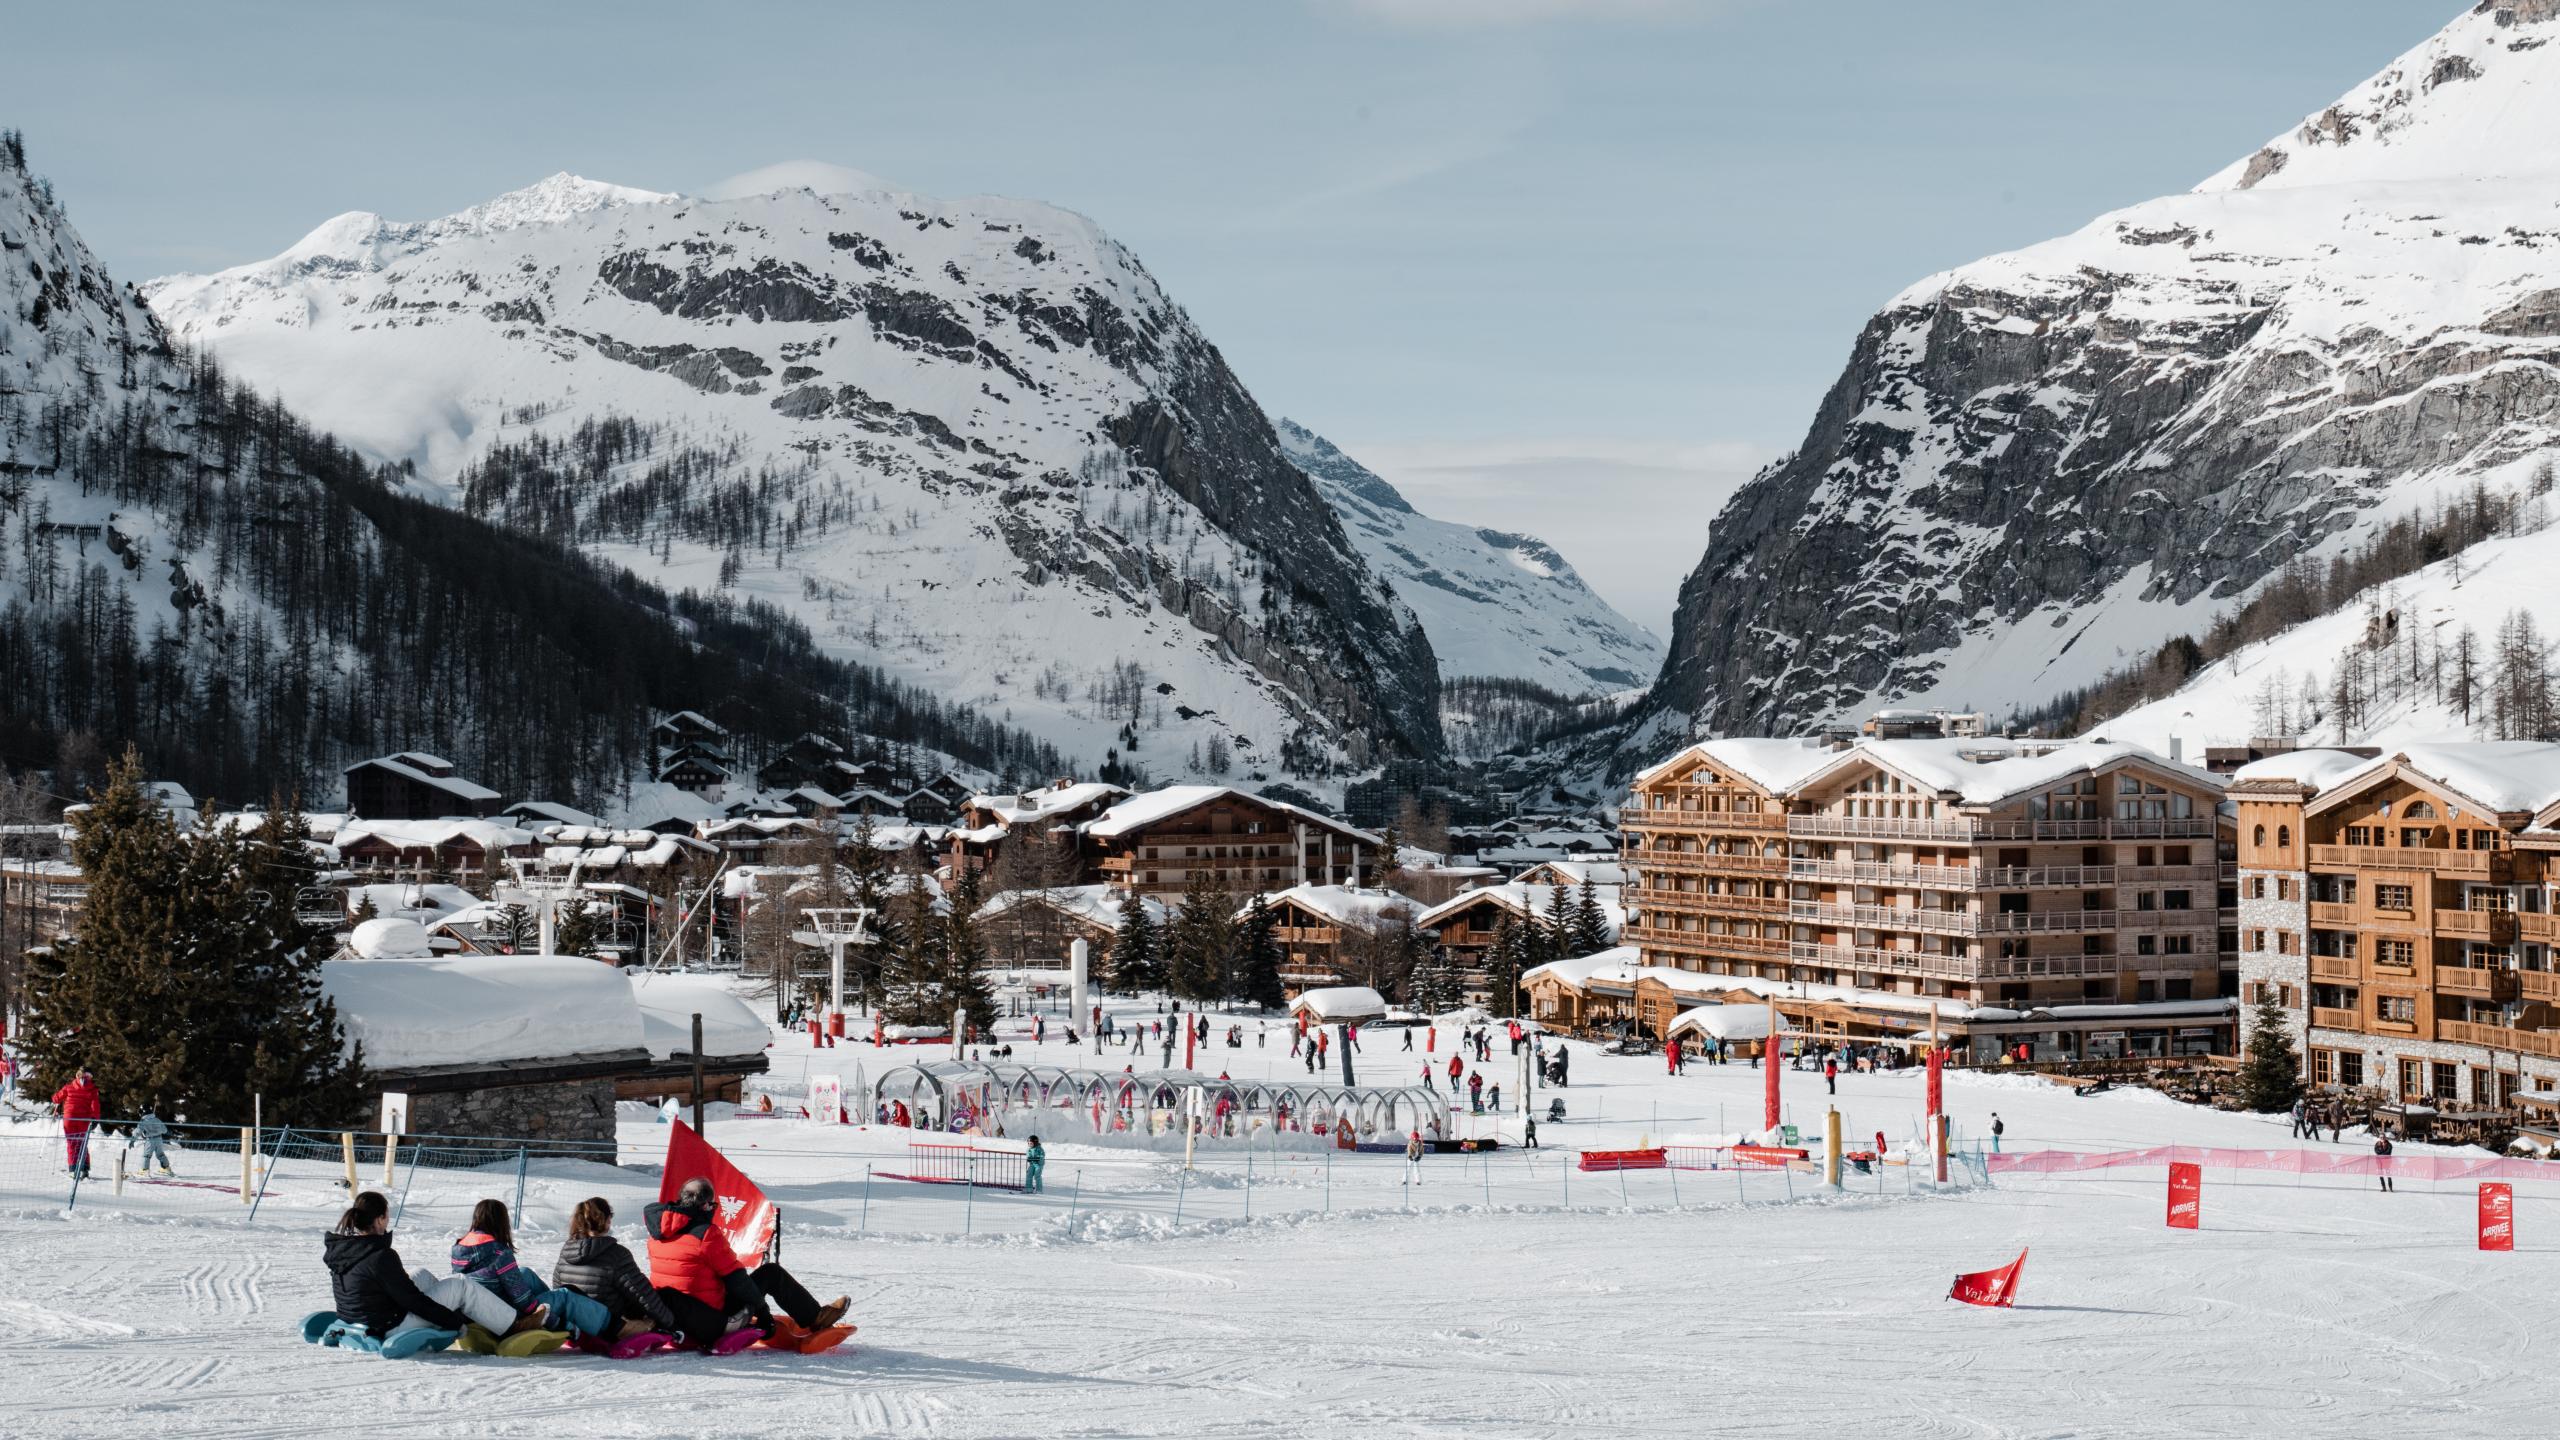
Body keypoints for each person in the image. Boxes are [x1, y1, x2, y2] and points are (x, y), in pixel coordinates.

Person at [647, 1177, 848, 1346]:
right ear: (706, 1205)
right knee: (770, 1273)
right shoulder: (706, 1234)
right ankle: (815, 1317)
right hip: (712, 1325)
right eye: (712, 1205)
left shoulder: (656, 1235)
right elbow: (737, 1279)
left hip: (676, 1325)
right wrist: (763, 1312)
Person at [325, 1190, 518, 1340]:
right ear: (380, 1219)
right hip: (389, 1326)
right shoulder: (380, 1256)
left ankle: (467, 1310)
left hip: (361, 1319)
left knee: (421, 1274)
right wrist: (452, 1322)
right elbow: (412, 1301)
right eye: (387, 1215)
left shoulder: (346, 1248)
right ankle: (512, 1325)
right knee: (460, 1284)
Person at [451, 1199, 608, 1339]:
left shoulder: (460, 1247)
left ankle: (557, 1306)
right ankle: (609, 1326)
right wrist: (555, 1321)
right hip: (503, 1316)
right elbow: (523, 1301)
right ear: (500, 1222)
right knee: (564, 1296)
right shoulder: (498, 1253)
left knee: (526, 1273)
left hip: (478, 1312)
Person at [555, 1197, 682, 1342]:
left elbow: (558, 1287)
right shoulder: (616, 1254)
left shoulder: (567, 1250)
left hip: (579, 1322)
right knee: (667, 1297)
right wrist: (669, 1323)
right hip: (611, 1326)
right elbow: (642, 1294)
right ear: (607, 1220)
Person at [52, 1067, 100, 1177]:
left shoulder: (69, 1087)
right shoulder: (93, 1090)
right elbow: (95, 1105)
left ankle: (73, 1169)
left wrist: (56, 1098)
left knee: (72, 1143)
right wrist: (95, 1118)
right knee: (82, 1143)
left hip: (70, 1119)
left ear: (77, 1076)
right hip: (84, 1119)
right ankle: (84, 1168)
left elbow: (56, 1098)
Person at [133, 1104, 175, 1177]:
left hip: (150, 1140)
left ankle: (144, 1170)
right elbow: (164, 1130)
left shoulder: (143, 1121)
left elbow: (138, 1131)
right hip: (159, 1139)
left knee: (146, 1155)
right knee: (160, 1154)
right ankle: (166, 1168)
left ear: (143, 1112)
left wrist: (133, 1139)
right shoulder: (157, 1119)